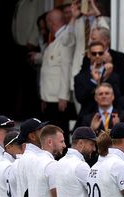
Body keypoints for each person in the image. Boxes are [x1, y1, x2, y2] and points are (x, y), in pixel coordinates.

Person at [40, 8, 76, 141]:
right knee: (50, 134)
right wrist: (44, 97)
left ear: (50, 22)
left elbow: (66, 68)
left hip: (58, 100)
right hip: (50, 98)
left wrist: (63, 96)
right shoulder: (55, 39)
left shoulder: (64, 39)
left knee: (59, 135)